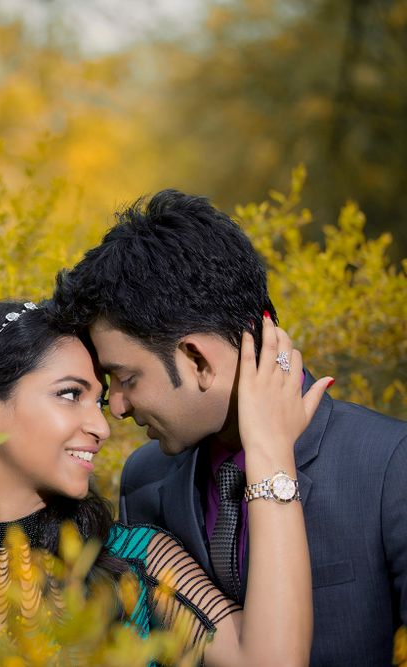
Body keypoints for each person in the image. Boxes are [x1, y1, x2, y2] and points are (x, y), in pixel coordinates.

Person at [0, 297, 330, 666]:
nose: (102, 427)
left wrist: (269, 454)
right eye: (70, 395)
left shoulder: (137, 561)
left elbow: (272, 660)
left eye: (99, 403)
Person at [50, 189, 407, 666]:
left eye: (127, 379)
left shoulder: (388, 466)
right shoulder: (145, 480)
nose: (117, 407)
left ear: (198, 360)